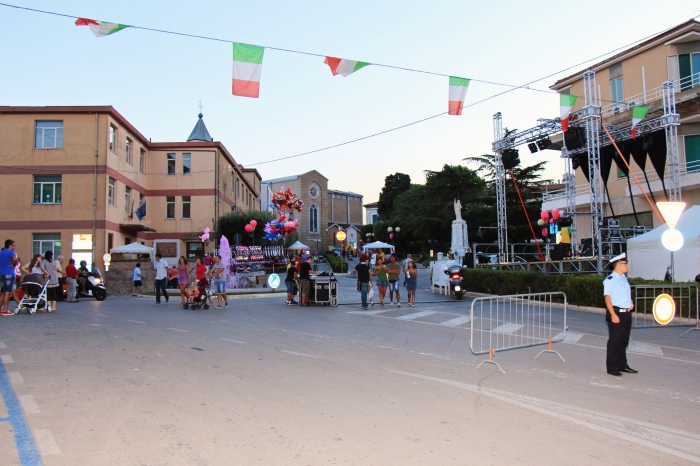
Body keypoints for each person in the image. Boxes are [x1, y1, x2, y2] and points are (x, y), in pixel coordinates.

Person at [603, 252, 637, 377]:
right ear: (619, 265)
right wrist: (612, 314)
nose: (627, 265)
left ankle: (622, 365)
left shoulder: (623, 278)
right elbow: (607, 298)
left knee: (623, 340)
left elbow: (625, 294)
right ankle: (612, 367)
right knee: (615, 341)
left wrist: (630, 302)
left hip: (626, 313)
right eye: (625, 263)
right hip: (617, 313)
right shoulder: (610, 280)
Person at [0, 239, 18, 316]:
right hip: (9, 273)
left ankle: (1, 309)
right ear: (10, 245)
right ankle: (5, 309)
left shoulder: (1, 253)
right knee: (7, 291)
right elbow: (14, 259)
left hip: (1, 273)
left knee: (2, 292)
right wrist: (14, 264)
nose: (14, 246)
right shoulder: (11, 252)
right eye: (13, 245)